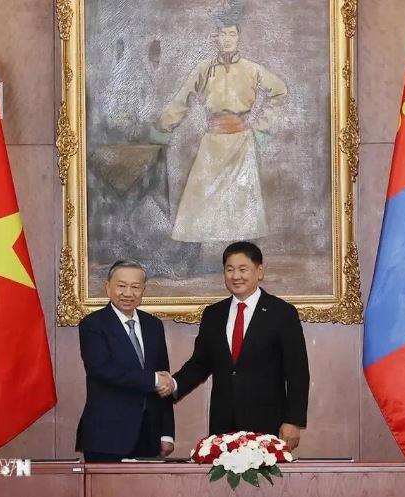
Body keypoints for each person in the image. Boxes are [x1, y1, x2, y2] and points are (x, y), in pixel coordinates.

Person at [159, 242, 309, 450]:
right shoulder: (213, 314)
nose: (235, 276)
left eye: (242, 269)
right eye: (229, 270)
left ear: (259, 271)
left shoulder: (282, 313)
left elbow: (297, 372)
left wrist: (293, 420)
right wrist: (174, 384)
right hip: (223, 425)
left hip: (268, 423)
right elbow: (200, 363)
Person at [155, 23, 287, 242]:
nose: (227, 39)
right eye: (223, 34)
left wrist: (261, 126)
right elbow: (183, 98)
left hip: (241, 144)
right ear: (216, 38)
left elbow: (279, 91)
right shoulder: (204, 69)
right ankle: (191, 256)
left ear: (238, 38)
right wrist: (164, 126)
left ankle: (241, 255)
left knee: (241, 202)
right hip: (212, 143)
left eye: (232, 34)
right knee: (197, 200)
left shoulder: (251, 69)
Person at [76, 261, 175, 461]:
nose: (128, 293)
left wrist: (166, 433)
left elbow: (163, 377)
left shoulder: (153, 325)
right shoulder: (93, 325)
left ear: (143, 290)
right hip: (106, 437)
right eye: (121, 286)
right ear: (108, 287)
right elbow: (102, 370)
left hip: (149, 436)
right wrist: (154, 380)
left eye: (135, 287)